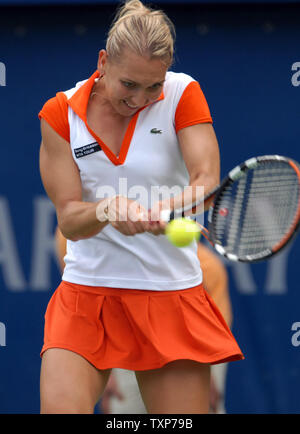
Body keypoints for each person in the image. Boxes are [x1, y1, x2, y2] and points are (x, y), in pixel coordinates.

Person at [39, 0, 244, 414]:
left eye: (154, 85)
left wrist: (162, 207)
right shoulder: (60, 115)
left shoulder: (184, 93)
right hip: (86, 298)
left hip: (170, 298)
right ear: (103, 61)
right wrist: (108, 209)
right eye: (129, 84)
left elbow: (206, 182)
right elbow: (70, 220)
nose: (141, 98)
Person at [55, 227, 233, 414]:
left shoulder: (207, 269)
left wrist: (204, 370)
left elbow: (204, 328)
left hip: (189, 344)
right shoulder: (71, 233)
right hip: (123, 344)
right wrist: (104, 369)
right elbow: (85, 305)